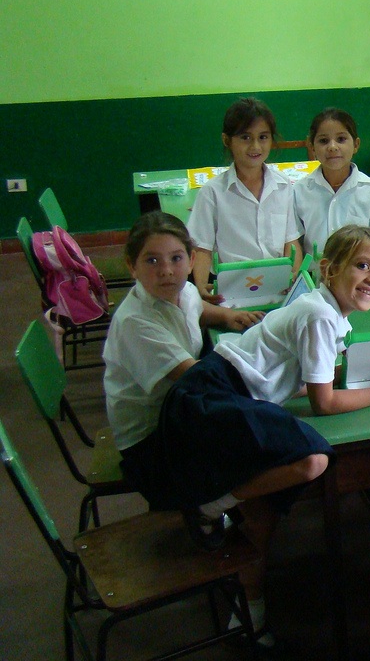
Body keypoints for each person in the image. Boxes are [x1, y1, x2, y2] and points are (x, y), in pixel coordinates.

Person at [154, 225, 370, 642]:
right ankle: (214, 504)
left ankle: (249, 599)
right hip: (213, 403)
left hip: (225, 392)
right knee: (313, 459)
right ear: (328, 269)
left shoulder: (325, 309)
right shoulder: (320, 315)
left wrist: (365, 376)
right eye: (362, 265)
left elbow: (310, 380)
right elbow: (325, 403)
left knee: (269, 497)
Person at [102, 211, 303, 647]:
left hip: (182, 416)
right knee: (272, 468)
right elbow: (200, 381)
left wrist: (228, 319)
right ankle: (248, 603)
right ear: (130, 266)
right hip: (154, 448)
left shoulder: (181, 292)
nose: (167, 271)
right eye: (152, 261)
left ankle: (233, 528)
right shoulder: (137, 322)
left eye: (176, 258)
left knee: (272, 447)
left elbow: (197, 307)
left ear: (191, 259)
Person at [188, 97, 302, 303]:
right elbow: (202, 249)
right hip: (231, 291)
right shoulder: (212, 193)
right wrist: (201, 288)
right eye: (245, 137)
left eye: (263, 137)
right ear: (227, 140)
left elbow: (291, 241)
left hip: (278, 289)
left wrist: (293, 275)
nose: (255, 146)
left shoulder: (284, 186)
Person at [293, 108, 370, 257]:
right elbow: (294, 246)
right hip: (314, 278)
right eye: (323, 141)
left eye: (341, 139)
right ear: (312, 147)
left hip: (362, 278)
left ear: (356, 145)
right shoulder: (299, 191)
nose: (333, 147)